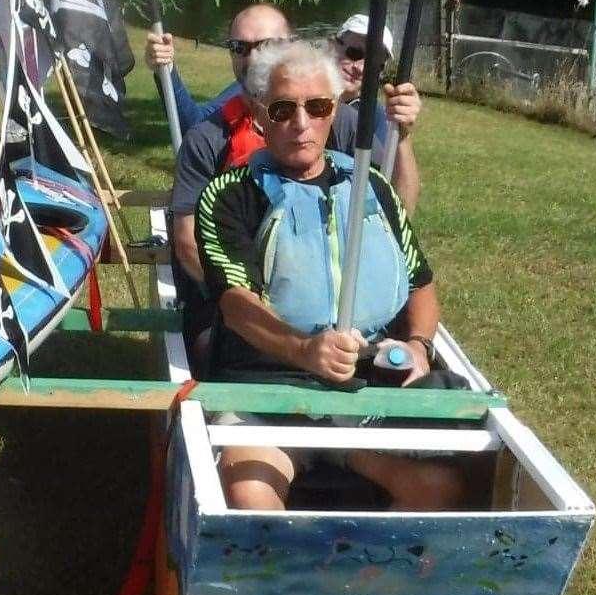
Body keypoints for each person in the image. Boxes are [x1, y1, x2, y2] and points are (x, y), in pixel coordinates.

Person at [194, 40, 461, 512]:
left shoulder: (370, 186)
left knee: (439, 488)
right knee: (251, 496)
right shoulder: (229, 195)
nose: (301, 123)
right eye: (282, 110)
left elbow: (419, 280)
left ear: (333, 111)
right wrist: (304, 350)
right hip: (265, 394)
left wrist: (419, 346)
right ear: (259, 116)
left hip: (359, 396)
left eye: (316, 107)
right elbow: (235, 303)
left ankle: (371, 582)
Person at [166, 6, 423, 361]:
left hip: (347, 320)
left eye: (266, 45)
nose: (254, 57)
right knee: (212, 345)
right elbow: (188, 246)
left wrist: (403, 138)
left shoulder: (346, 127)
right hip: (234, 305)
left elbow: (396, 215)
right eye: (240, 48)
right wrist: (277, 317)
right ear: (261, 115)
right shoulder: (209, 144)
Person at [329, 13, 421, 213]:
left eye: (374, 65)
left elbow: (403, 209)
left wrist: (403, 134)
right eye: (354, 53)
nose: (360, 68)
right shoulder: (296, 95)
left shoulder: (377, 117)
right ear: (331, 46)